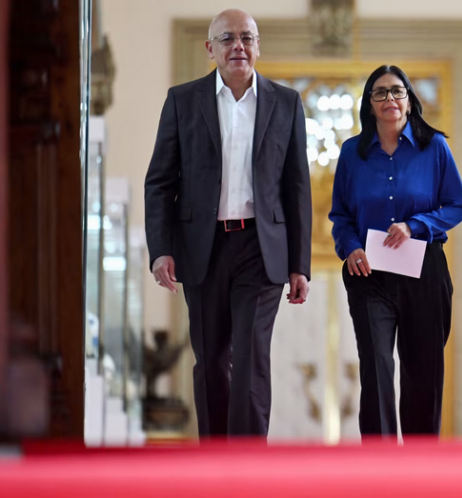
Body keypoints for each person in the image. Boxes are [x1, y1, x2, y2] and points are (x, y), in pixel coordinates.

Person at [144, 9, 312, 437]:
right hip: (203, 247)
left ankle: (248, 463)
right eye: (227, 38)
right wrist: (161, 250)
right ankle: (215, 457)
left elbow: (297, 186)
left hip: (261, 247)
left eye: (246, 38)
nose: (238, 46)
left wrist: (300, 265)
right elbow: (160, 181)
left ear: (257, 46)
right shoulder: (183, 101)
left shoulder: (286, 103)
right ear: (210, 48)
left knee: (251, 357)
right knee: (212, 360)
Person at [329, 65, 462, 437]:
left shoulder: (434, 147)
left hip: (424, 271)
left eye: (397, 90)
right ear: (369, 103)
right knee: (376, 367)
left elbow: (457, 205)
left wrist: (415, 225)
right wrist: (350, 247)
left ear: (408, 100)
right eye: (380, 92)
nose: (389, 98)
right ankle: (380, 461)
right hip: (368, 275)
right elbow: (340, 216)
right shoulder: (352, 153)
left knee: (423, 371)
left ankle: (421, 464)